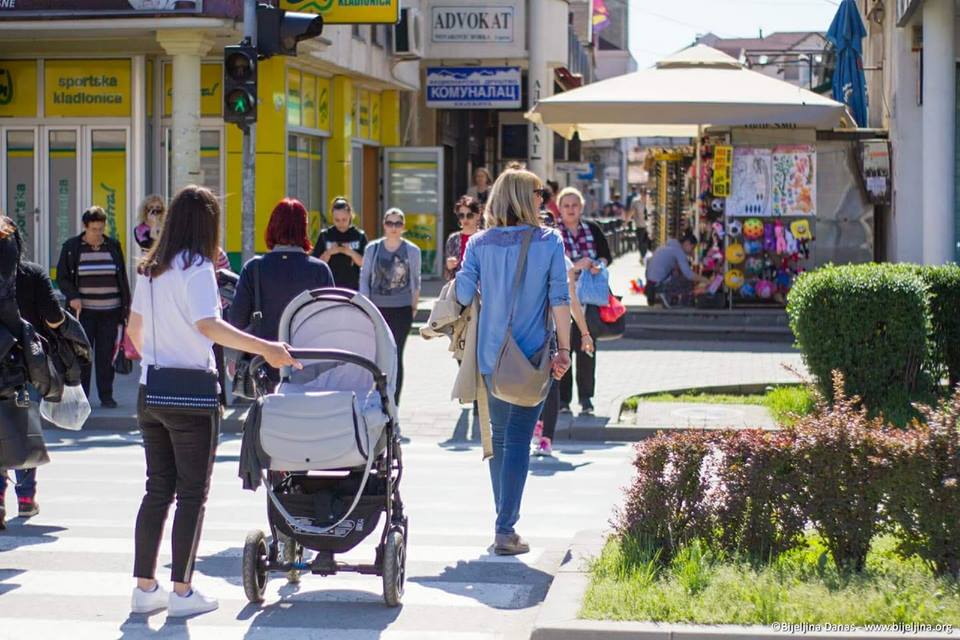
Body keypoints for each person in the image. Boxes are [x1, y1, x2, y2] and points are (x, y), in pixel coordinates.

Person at [126, 185, 299, 616]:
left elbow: (133, 331)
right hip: (191, 393)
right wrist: (266, 347)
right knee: (190, 495)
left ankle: (144, 587)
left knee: (156, 490)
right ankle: (182, 591)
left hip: (152, 388)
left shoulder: (150, 268)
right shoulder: (198, 267)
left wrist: (161, 352)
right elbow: (209, 325)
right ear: (207, 225)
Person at [455, 168, 571, 555]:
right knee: (519, 437)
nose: (543, 198)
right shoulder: (550, 241)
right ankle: (505, 527)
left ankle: (503, 522)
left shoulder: (479, 243)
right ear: (525, 197)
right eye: (538, 192)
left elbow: (463, 291)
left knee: (500, 437)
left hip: (490, 354)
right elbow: (559, 299)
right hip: (533, 354)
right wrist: (565, 350)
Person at [0, 217, 66, 529]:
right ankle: (26, 497)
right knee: (23, 423)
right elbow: (53, 316)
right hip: (20, 361)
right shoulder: (32, 274)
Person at [230, 198, 334, 387]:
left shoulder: (254, 268)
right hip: (309, 366)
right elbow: (329, 323)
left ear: (272, 227)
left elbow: (237, 321)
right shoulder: (320, 270)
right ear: (304, 229)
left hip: (264, 365)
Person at [56, 206, 131, 409]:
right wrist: (72, 296)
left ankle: (107, 396)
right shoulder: (72, 247)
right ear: (85, 227)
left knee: (106, 356)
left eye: (101, 228)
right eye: (94, 229)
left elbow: (121, 278)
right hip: (85, 313)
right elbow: (62, 277)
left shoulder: (113, 246)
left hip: (111, 311)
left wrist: (127, 308)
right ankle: (84, 398)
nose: (98, 233)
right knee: (83, 356)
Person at [555, 187, 612, 416]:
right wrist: (574, 266)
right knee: (563, 347)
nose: (571, 209)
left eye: (574, 205)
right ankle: (562, 400)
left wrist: (599, 265)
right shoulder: (553, 233)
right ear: (559, 208)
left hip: (588, 297)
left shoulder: (593, 229)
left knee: (587, 348)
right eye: (566, 205)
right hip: (562, 297)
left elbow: (607, 255)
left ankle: (587, 399)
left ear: (581, 207)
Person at [359, 208, 421, 406]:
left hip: (401, 308)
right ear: (384, 225)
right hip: (377, 309)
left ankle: (394, 402)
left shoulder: (412, 250)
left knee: (396, 354)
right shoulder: (373, 248)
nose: (393, 228)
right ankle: (377, 398)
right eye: (390, 223)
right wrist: (366, 307)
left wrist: (414, 305)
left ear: (403, 226)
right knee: (376, 354)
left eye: (398, 224)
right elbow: (365, 278)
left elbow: (415, 281)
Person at [533, 256, 593, 456]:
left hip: (553, 333)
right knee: (534, 382)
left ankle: (546, 439)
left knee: (552, 385)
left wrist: (585, 333)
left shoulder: (562, 261)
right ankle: (538, 424)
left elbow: (572, 300)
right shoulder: (523, 253)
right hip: (529, 332)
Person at [311, 196, 366, 291]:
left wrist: (350, 252)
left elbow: (365, 263)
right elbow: (317, 264)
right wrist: (329, 252)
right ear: (332, 218)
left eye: (344, 219)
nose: (341, 223)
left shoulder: (359, 236)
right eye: (337, 220)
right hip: (330, 286)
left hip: (353, 287)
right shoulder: (325, 235)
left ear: (350, 216)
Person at [644, 230, 708, 308]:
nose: (692, 251)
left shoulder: (668, 247)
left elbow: (675, 271)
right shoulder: (678, 251)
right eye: (692, 248)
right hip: (659, 284)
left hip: (651, 283)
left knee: (680, 279)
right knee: (688, 283)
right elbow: (689, 274)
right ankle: (671, 299)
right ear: (687, 243)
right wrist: (705, 280)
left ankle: (668, 297)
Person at [443, 195, 483, 281]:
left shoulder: (485, 238)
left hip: (481, 287)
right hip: (459, 287)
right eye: (461, 215)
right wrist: (448, 266)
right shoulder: (453, 239)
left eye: (469, 215)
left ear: (478, 216)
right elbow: (447, 275)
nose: (465, 219)